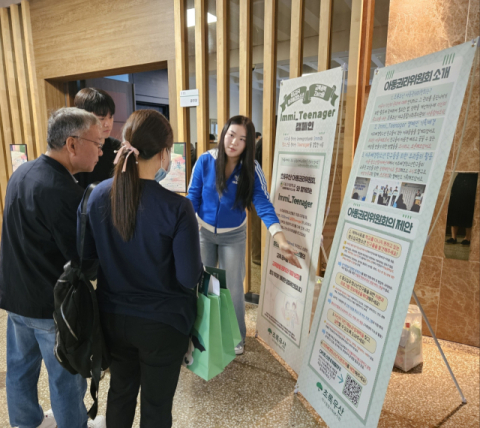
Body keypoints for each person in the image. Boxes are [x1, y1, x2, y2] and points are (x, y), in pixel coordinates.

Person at [79, 109, 203, 428]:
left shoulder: (97, 196)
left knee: (120, 392)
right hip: (163, 323)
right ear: (163, 153)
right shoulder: (178, 207)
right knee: (156, 405)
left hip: (113, 319)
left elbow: (88, 265)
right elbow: (188, 277)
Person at [0, 108, 105, 428]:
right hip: (50, 306)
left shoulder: (22, 173)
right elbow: (82, 261)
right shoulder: (62, 191)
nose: (101, 152)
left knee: (20, 368)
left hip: (15, 297)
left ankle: (24, 422)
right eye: (97, 143)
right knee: (65, 379)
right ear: (72, 144)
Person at [187, 115, 301, 355]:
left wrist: (280, 239)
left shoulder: (252, 169)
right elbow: (192, 198)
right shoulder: (205, 161)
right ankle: (202, 333)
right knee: (204, 284)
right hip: (204, 233)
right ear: (223, 134)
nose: (234, 142)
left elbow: (263, 204)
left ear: (248, 144)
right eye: (230, 135)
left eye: (242, 139)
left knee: (233, 288)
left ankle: (237, 336)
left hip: (233, 236)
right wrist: (185, 229)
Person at [74, 87, 121, 188]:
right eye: (101, 118)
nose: (108, 124)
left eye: (111, 117)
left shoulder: (117, 147)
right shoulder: (75, 149)